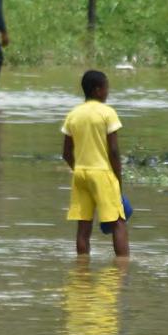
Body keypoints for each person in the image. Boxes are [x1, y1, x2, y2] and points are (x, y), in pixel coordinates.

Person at [62, 69, 129, 257]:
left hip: (80, 174)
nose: (108, 92)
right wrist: (118, 179)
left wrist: (78, 169)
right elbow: (113, 151)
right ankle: (123, 266)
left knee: (83, 225)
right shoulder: (107, 113)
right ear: (97, 90)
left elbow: (66, 153)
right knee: (118, 222)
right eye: (106, 88)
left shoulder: (73, 114)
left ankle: (82, 267)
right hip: (102, 173)